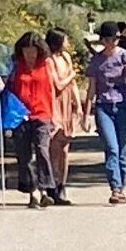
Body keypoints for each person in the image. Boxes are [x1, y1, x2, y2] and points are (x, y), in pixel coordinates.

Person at [86, 20, 126, 204]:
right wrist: (86, 113)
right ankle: (115, 188)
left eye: (116, 38)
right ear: (102, 40)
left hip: (124, 106)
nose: (113, 42)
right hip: (104, 106)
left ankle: (121, 186)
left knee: (122, 151)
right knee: (111, 148)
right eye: (109, 38)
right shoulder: (97, 61)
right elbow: (91, 88)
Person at [7, 31, 58, 208]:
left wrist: (54, 116)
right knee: (24, 155)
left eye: (33, 50)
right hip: (20, 115)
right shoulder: (15, 65)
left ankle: (45, 189)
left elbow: (52, 90)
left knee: (43, 150)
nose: (30, 53)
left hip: (42, 113)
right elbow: (7, 87)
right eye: (26, 50)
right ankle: (32, 191)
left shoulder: (46, 64)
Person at [44, 28, 82, 205]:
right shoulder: (49, 61)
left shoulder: (66, 58)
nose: (68, 43)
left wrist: (79, 105)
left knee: (65, 149)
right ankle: (50, 186)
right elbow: (58, 84)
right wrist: (72, 74)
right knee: (54, 147)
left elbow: (72, 84)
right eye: (65, 40)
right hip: (55, 104)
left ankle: (62, 185)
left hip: (67, 105)